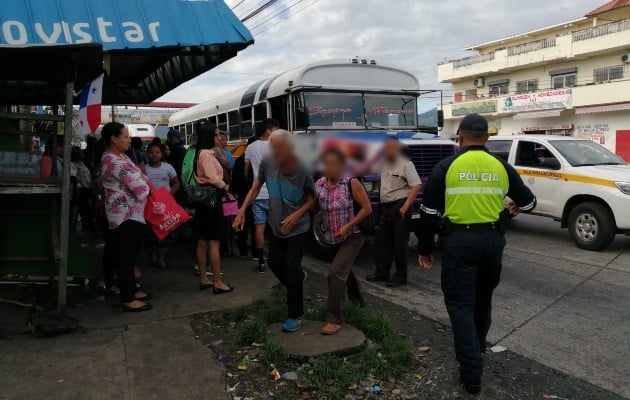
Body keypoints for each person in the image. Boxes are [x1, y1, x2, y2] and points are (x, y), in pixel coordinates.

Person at [417, 114, 536, 395]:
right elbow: (529, 202)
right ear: (487, 137)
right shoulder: (501, 167)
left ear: (460, 135)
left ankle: (472, 375)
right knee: (482, 301)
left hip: (459, 242)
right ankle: (478, 352)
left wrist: (424, 249)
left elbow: (428, 213)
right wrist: (512, 208)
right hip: (492, 242)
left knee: (460, 306)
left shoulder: (447, 166)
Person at [234, 130, 315, 332]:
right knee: (274, 262)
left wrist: (297, 215)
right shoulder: (267, 162)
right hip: (276, 224)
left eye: (279, 147)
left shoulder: (303, 168)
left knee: (291, 267)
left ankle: (296, 315)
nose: (274, 151)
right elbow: (256, 186)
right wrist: (242, 210)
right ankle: (295, 284)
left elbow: (313, 198)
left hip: (298, 228)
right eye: (272, 146)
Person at [314, 148, 372, 335]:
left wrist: (348, 226)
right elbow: (311, 204)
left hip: (352, 235)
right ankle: (357, 300)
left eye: (334, 164)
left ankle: (335, 319)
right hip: (331, 238)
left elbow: (366, 208)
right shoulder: (319, 185)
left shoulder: (351, 183)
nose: (330, 168)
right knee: (344, 271)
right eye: (327, 164)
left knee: (336, 272)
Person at [100, 122, 152, 312]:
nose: (128, 139)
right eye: (125, 136)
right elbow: (140, 188)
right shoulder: (113, 160)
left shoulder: (118, 156)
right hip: (125, 215)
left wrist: (143, 181)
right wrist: (146, 186)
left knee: (128, 255)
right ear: (114, 139)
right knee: (126, 257)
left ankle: (130, 290)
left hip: (127, 214)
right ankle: (128, 298)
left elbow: (140, 177)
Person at [366, 137, 422, 287]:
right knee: (381, 240)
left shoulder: (406, 164)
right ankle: (382, 273)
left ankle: (400, 276)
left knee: (400, 244)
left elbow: (416, 185)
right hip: (385, 207)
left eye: (392, 147)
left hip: (400, 207)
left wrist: (405, 206)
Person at [193, 122, 234, 295]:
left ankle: (204, 278)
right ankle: (218, 281)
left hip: (204, 201)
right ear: (209, 136)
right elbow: (212, 178)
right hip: (212, 199)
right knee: (214, 242)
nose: (219, 138)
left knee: (203, 241)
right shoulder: (207, 155)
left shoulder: (200, 153)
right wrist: (224, 185)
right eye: (216, 135)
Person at [243, 118, 279, 272]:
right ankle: (277, 258)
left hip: (257, 193)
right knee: (276, 226)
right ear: (268, 130)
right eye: (276, 129)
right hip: (274, 193)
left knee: (259, 227)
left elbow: (246, 171)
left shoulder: (250, 147)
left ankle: (261, 262)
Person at [145, 142, 181, 268]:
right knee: (150, 233)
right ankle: (153, 257)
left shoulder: (168, 167)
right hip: (149, 206)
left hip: (164, 206)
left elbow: (177, 183)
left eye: (157, 152)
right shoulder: (144, 169)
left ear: (162, 154)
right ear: (147, 154)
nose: (154, 155)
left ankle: (162, 259)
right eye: (151, 152)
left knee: (164, 232)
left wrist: (169, 196)